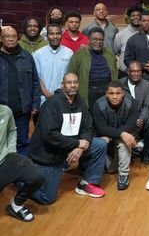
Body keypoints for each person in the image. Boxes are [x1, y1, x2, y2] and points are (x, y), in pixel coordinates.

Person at [29, 73, 106, 204]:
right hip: (50, 154)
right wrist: (76, 143)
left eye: (75, 82)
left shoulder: (80, 102)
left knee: (100, 144)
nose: (73, 85)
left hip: (70, 147)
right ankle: (23, 183)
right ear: (62, 85)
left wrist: (81, 146)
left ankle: (87, 183)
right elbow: (50, 135)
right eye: (69, 82)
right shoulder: (52, 103)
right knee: (47, 198)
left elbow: (88, 126)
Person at [0, 104, 45, 222]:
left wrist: (11, 151)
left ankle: (16, 205)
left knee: (37, 176)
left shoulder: (5, 111)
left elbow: (11, 130)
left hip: (4, 159)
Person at [0, 26, 40, 155]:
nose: (11, 39)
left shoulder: (26, 56)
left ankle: (20, 166)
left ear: (18, 38)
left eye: (14, 36)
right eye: (7, 36)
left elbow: (35, 81)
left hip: (22, 110)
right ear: (1, 38)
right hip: (1, 111)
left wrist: (35, 104)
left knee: (22, 141)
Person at [93, 81, 137, 190]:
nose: (114, 97)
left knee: (125, 140)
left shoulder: (131, 102)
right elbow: (101, 128)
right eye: (111, 93)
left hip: (119, 137)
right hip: (105, 139)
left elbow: (131, 125)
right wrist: (120, 133)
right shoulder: (98, 104)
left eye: (118, 93)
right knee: (110, 169)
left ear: (123, 93)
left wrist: (119, 135)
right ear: (106, 94)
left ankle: (123, 175)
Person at [67, 27, 117, 108]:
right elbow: (70, 75)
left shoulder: (109, 54)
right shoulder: (79, 54)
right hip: (88, 92)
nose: (98, 42)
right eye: (95, 39)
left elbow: (115, 73)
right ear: (89, 40)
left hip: (107, 91)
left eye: (100, 40)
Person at [119, 61, 149, 164]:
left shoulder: (146, 85)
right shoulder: (120, 84)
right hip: (125, 118)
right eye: (133, 71)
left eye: (138, 71)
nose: (136, 74)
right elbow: (118, 107)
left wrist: (141, 118)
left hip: (141, 117)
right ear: (128, 72)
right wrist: (133, 120)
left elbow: (147, 105)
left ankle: (147, 154)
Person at [33, 23, 73, 107]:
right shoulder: (38, 54)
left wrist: (59, 93)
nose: (55, 37)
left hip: (63, 98)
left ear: (61, 35)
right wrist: (48, 94)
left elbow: (69, 75)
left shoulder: (69, 53)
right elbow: (37, 77)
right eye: (51, 34)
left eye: (58, 33)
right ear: (47, 36)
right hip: (43, 99)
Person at [113, 5, 142, 78]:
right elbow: (117, 51)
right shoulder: (120, 35)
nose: (136, 17)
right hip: (124, 73)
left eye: (138, 15)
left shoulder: (146, 34)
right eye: (133, 15)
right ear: (129, 18)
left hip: (142, 74)